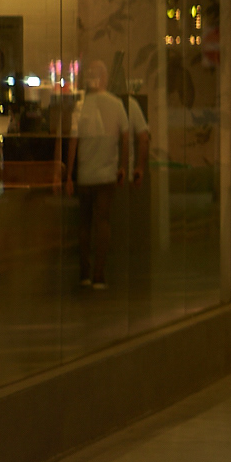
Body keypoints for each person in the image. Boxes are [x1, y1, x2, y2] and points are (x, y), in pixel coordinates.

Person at [64, 61, 129, 290]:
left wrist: (69, 175)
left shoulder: (81, 106)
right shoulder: (116, 104)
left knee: (84, 224)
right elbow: (126, 136)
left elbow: (73, 141)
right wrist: (123, 166)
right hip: (107, 172)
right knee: (103, 222)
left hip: (85, 173)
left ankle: (84, 272)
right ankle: (99, 275)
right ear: (105, 78)